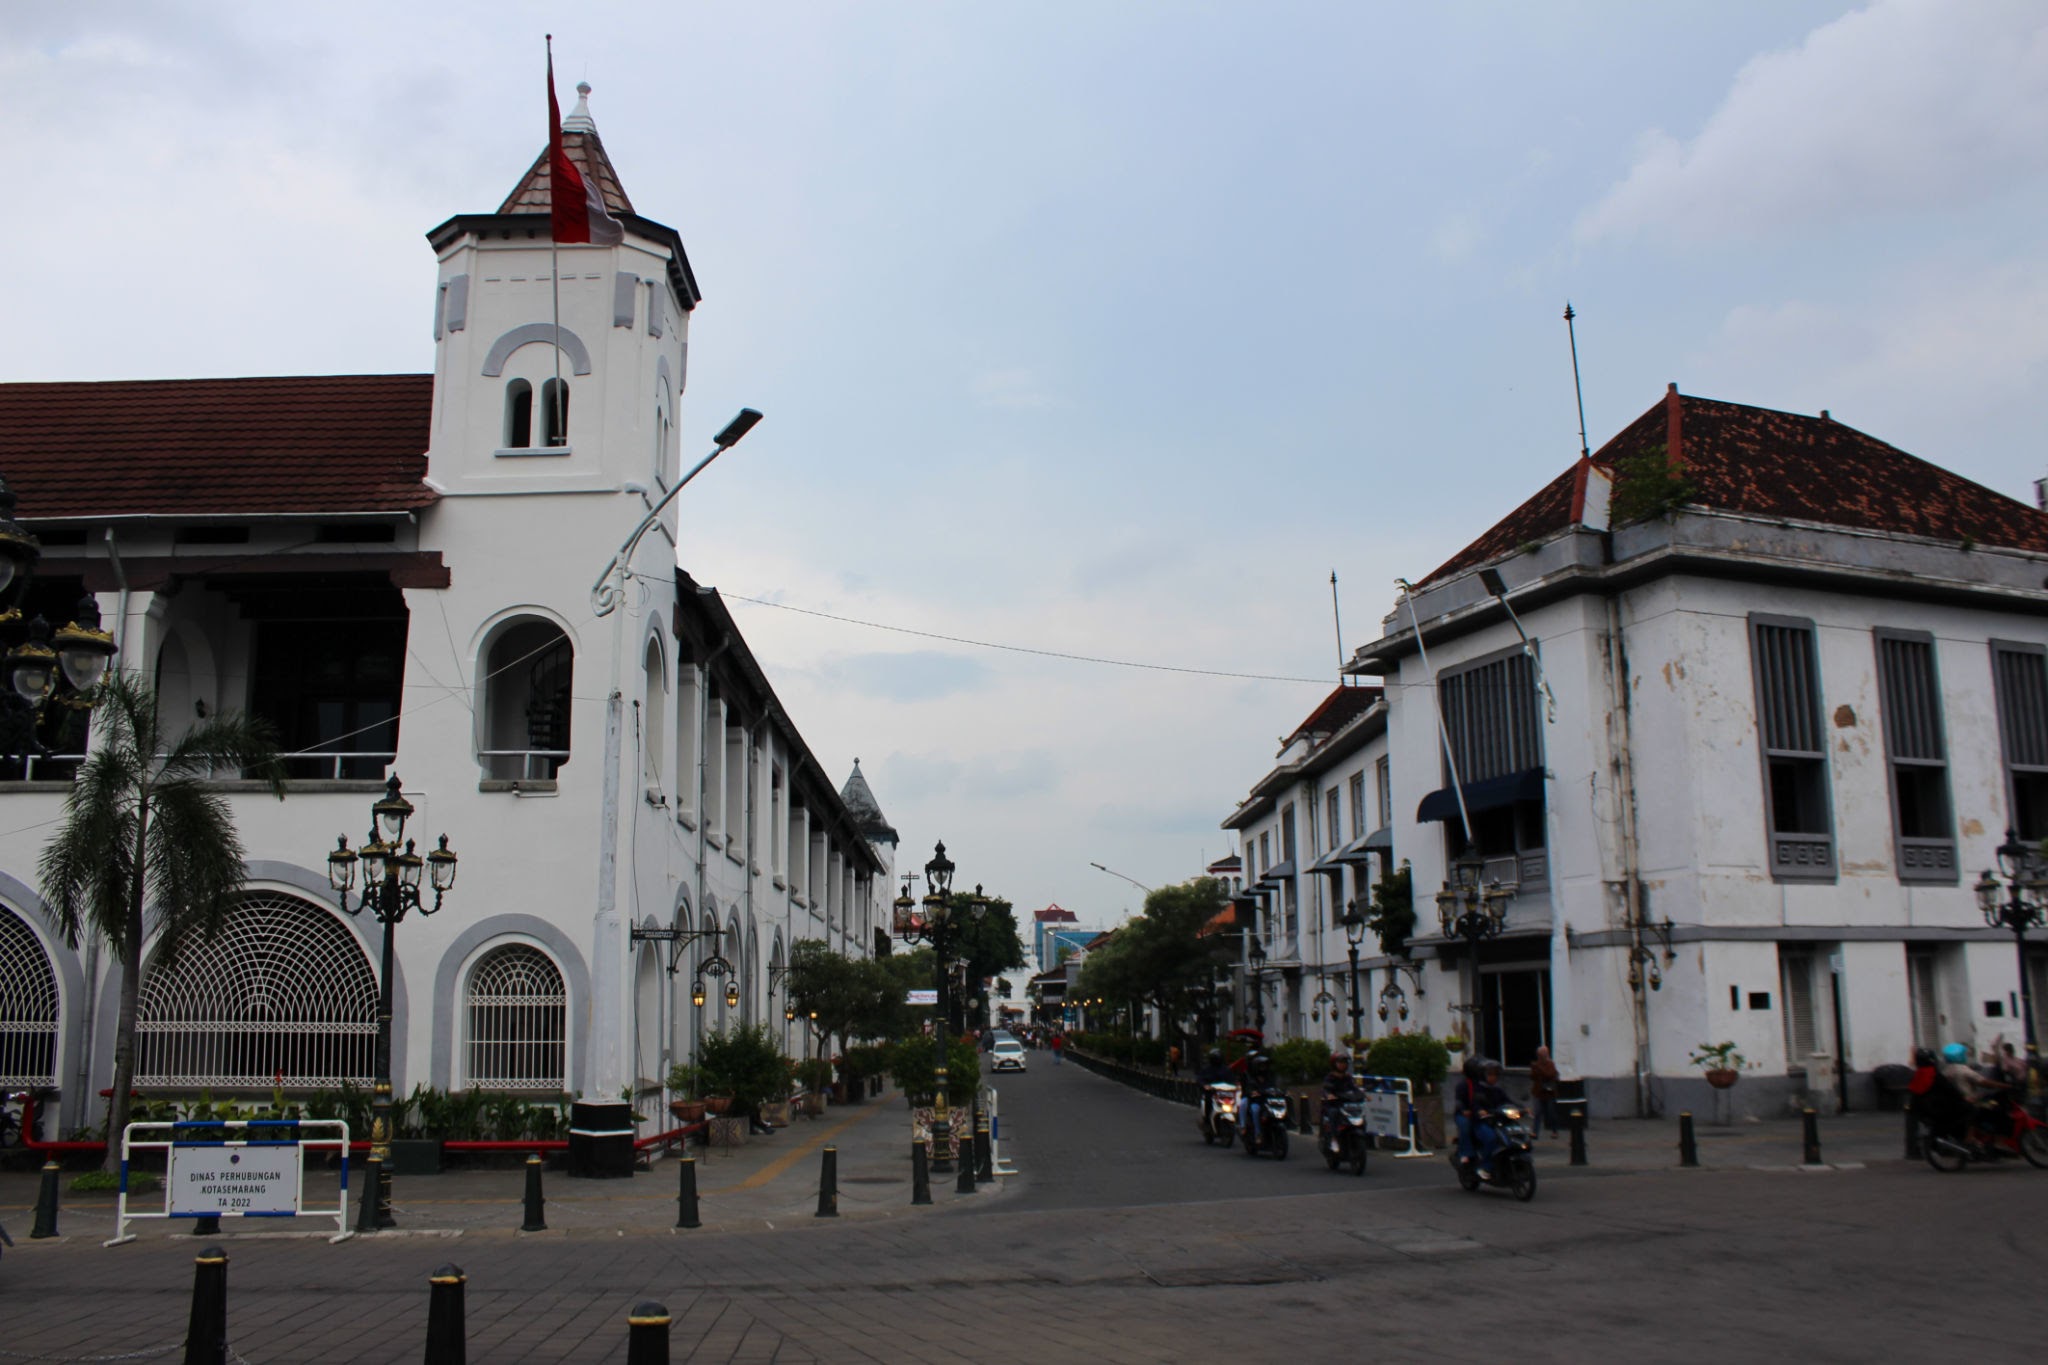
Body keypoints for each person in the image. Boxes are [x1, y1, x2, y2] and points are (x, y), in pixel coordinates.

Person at [1454, 1056, 1510, 1167]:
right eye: (1489, 1073)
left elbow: (1506, 1100)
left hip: (1484, 1114)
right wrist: (1465, 1110)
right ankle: (1466, 1153)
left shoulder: (1488, 1087)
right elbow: (1461, 1101)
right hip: (1466, 1114)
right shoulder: (1464, 1085)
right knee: (1466, 1126)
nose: (1492, 1077)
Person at [1527, 1045, 1561, 1139]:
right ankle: (1535, 1132)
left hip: (1549, 1092)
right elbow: (1533, 1077)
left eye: (1543, 1054)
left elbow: (1549, 1074)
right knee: (1537, 1113)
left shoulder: (1550, 1064)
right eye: (1540, 1055)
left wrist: (1539, 1069)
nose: (1541, 1057)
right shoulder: (1536, 1064)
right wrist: (1534, 1070)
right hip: (1538, 1092)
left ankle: (1554, 1131)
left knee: (1551, 1113)